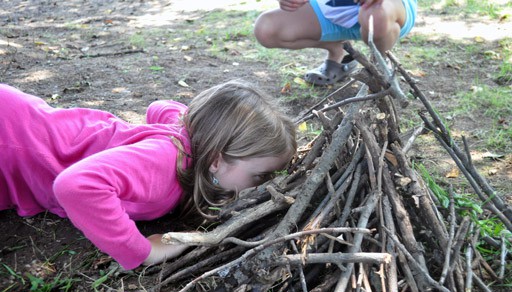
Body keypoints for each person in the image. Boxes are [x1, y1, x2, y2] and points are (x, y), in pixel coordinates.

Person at [0, 81, 297, 270]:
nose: (264, 183)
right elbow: (75, 186)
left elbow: (160, 107)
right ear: (217, 160)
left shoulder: (189, 134)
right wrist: (142, 251)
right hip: (10, 141)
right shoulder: (163, 163)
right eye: (259, 175)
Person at [254, 0, 417, 86]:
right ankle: (339, 51)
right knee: (266, 29)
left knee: (376, 14)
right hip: (332, 9)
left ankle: (379, 66)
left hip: (387, 9)